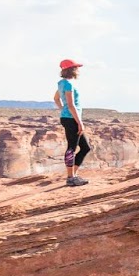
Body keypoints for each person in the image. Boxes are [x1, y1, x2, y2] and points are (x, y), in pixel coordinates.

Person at [54, 58, 91, 186]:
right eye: (76, 68)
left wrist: (62, 110)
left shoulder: (62, 83)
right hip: (71, 119)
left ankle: (73, 175)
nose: (78, 70)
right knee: (72, 148)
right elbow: (70, 105)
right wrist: (80, 122)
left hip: (68, 117)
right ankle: (71, 178)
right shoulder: (68, 84)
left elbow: (56, 98)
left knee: (85, 148)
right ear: (71, 70)